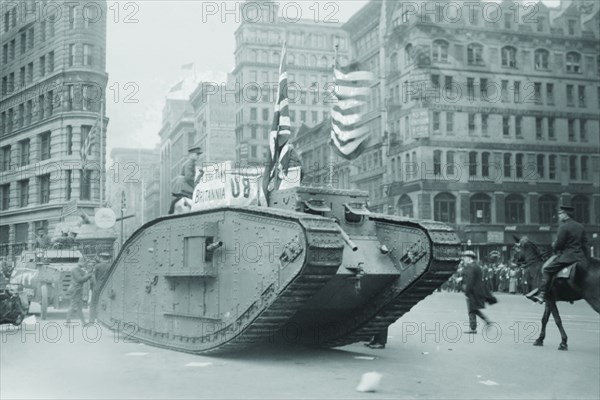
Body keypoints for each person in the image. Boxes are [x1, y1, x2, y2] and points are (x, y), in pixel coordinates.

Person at [526, 204, 589, 304]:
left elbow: (559, 244)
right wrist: (586, 258)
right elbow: (585, 244)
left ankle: (542, 294)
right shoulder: (580, 227)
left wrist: (554, 245)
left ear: (565, 215)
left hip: (568, 257)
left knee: (547, 270)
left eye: (560, 214)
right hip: (580, 257)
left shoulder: (563, 227)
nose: (559, 216)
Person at [461, 250, 496, 334]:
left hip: (473, 291)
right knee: (473, 309)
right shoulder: (475, 266)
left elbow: (470, 280)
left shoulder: (471, 267)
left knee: (471, 309)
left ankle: (474, 328)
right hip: (477, 291)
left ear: (469, 258)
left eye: (465, 257)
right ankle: (484, 322)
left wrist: (466, 291)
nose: (463, 259)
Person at [168, 146, 203, 214]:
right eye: (197, 154)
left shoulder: (191, 163)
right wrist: (197, 186)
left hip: (184, 186)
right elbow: (189, 177)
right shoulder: (190, 163)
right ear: (192, 155)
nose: (198, 156)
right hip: (184, 187)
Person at [66, 257, 93, 325]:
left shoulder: (79, 269)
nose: (85, 265)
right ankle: (67, 322)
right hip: (75, 290)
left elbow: (85, 275)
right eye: (84, 263)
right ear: (81, 262)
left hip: (78, 290)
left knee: (79, 307)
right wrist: (88, 276)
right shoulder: (75, 270)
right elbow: (80, 279)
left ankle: (83, 323)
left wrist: (89, 272)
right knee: (72, 306)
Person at [89, 253, 112, 322]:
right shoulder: (111, 266)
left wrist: (94, 286)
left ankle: (91, 320)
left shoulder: (97, 266)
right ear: (109, 258)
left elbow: (93, 277)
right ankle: (102, 319)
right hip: (107, 287)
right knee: (105, 303)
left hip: (97, 286)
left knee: (93, 304)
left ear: (101, 258)